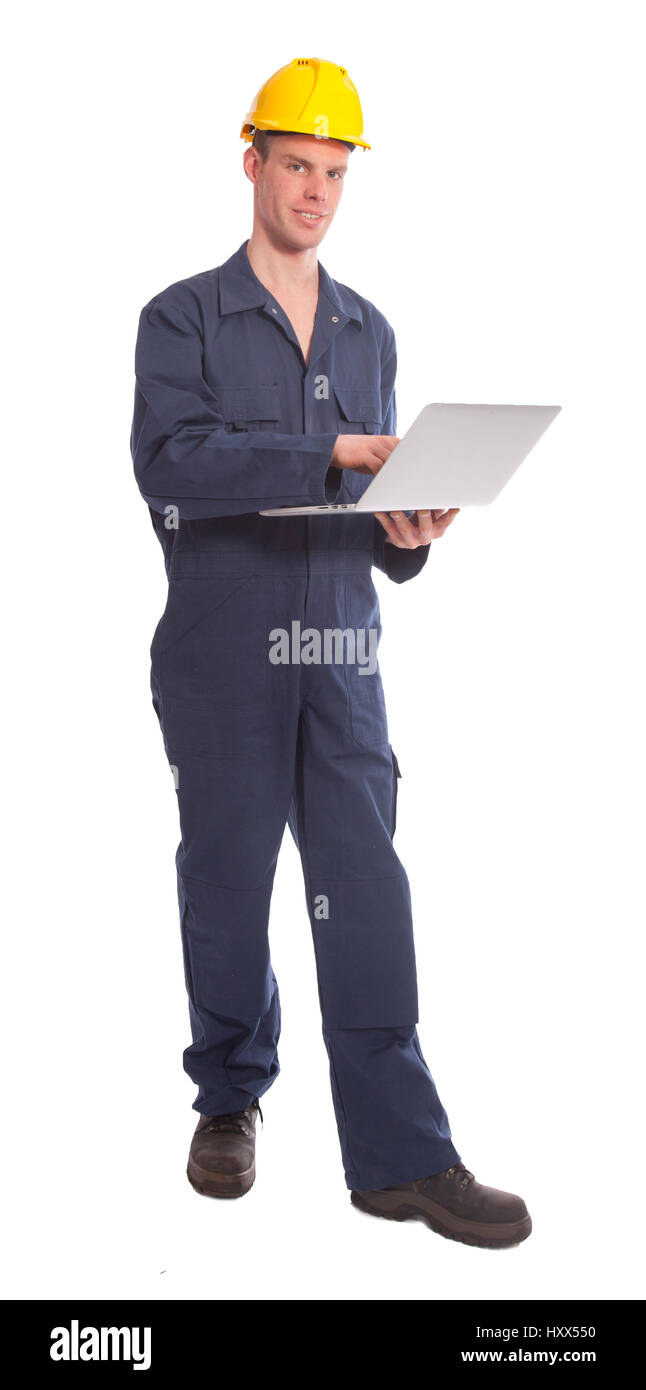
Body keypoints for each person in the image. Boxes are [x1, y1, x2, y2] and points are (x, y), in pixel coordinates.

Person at [130, 56, 531, 1248]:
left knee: (364, 888)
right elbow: (174, 465)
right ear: (251, 162)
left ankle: (400, 1156)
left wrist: (410, 525)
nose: (314, 190)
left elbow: (373, 512)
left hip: (340, 651)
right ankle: (230, 1095)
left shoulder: (368, 328)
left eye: (333, 172)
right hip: (223, 650)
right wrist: (334, 455)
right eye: (295, 165)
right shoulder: (181, 318)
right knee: (228, 879)